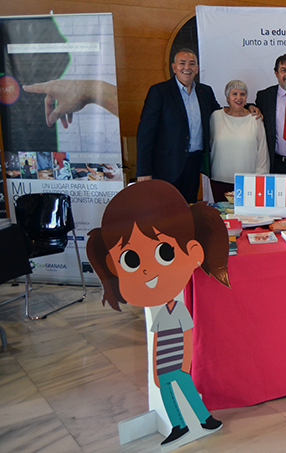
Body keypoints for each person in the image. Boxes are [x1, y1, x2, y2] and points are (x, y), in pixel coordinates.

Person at [86, 180, 229, 447]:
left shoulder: (177, 309)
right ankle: (179, 425)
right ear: (113, 266)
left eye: (164, 252)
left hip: (178, 366)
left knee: (184, 389)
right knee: (167, 394)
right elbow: (156, 342)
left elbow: (187, 337)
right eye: (130, 260)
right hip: (163, 366)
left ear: (194, 252)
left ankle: (202, 419)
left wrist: (185, 365)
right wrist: (155, 370)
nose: (146, 270)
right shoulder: (162, 312)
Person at [135, 48, 259, 203]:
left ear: (197, 68)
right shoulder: (159, 92)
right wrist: (143, 171)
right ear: (174, 67)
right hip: (166, 167)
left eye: (192, 63)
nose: (187, 67)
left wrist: (248, 106)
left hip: (194, 166)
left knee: (189, 209)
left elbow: (222, 113)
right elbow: (145, 133)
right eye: (182, 63)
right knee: (165, 210)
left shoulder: (204, 92)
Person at [208, 80, 269, 202]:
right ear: (227, 98)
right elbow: (208, 145)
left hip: (248, 182)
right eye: (234, 94)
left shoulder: (255, 118)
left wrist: (261, 178)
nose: (239, 97)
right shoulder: (215, 116)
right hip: (218, 181)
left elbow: (262, 152)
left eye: (242, 94)